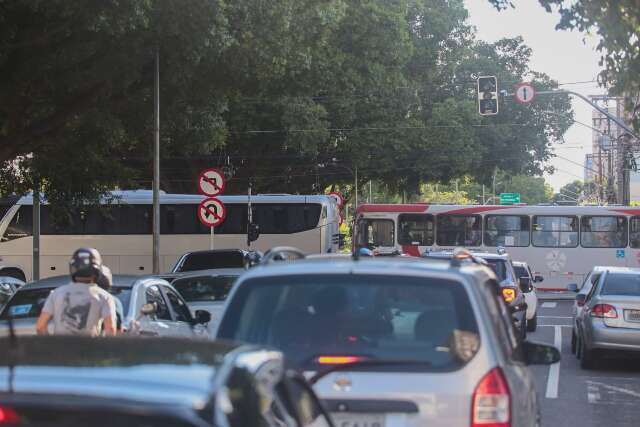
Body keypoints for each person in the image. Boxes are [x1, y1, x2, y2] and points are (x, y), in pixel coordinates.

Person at [36, 248, 117, 336]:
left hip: (60, 348)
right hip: (90, 348)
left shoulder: (57, 294)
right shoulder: (104, 297)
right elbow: (111, 329)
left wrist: (51, 346)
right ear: (97, 270)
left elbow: (40, 326)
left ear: (73, 268)